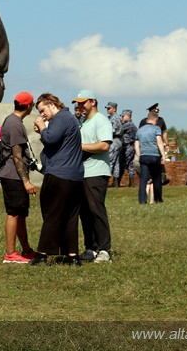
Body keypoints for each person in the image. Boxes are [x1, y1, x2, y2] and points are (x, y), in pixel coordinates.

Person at [31, 94, 84, 266]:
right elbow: (55, 141)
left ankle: (42, 255)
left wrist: (41, 127)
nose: (42, 115)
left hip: (59, 175)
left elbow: (50, 138)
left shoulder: (61, 118)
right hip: (74, 176)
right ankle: (72, 255)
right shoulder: (69, 119)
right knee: (70, 216)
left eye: (43, 110)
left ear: (52, 104)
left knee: (51, 214)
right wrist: (44, 130)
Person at [74, 89, 113, 263]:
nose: (79, 105)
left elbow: (104, 145)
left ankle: (104, 249)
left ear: (93, 102)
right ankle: (91, 248)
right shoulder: (84, 122)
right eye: (78, 103)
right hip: (83, 172)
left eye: (83, 102)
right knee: (85, 213)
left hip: (96, 172)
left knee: (96, 211)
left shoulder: (101, 120)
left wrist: (80, 147)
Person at [0, 92, 37, 264]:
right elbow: (17, 155)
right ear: (29, 106)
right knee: (13, 213)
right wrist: (26, 181)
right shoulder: (15, 124)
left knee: (20, 214)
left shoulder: (12, 120)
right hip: (13, 175)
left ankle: (26, 250)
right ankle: (10, 253)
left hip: (14, 175)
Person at [134, 113, 166, 205]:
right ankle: (158, 199)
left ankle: (142, 200)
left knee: (143, 180)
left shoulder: (139, 130)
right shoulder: (156, 129)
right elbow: (159, 142)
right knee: (156, 179)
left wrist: (139, 154)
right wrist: (163, 155)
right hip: (154, 156)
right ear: (155, 120)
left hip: (144, 156)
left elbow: (136, 144)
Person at [105, 102, 124, 187]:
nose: (107, 110)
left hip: (114, 140)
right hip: (118, 140)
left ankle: (106, 181)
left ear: (114, 109)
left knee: (110, 161)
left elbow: (112, 130)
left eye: (109, 108)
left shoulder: (114, 118)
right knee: (116, 162)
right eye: (107, 108)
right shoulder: (114, 117)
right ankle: (115, 182)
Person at [120, 110, 138, 187]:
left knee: (127, 163)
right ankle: (131, 182)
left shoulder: (128, 125)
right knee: (127, 164)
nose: (121, 118)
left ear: (128, 116)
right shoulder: (129, 124)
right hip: (127, 146)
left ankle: (131, 182)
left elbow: (119, 130)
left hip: (129, 146)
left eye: (123, 116)